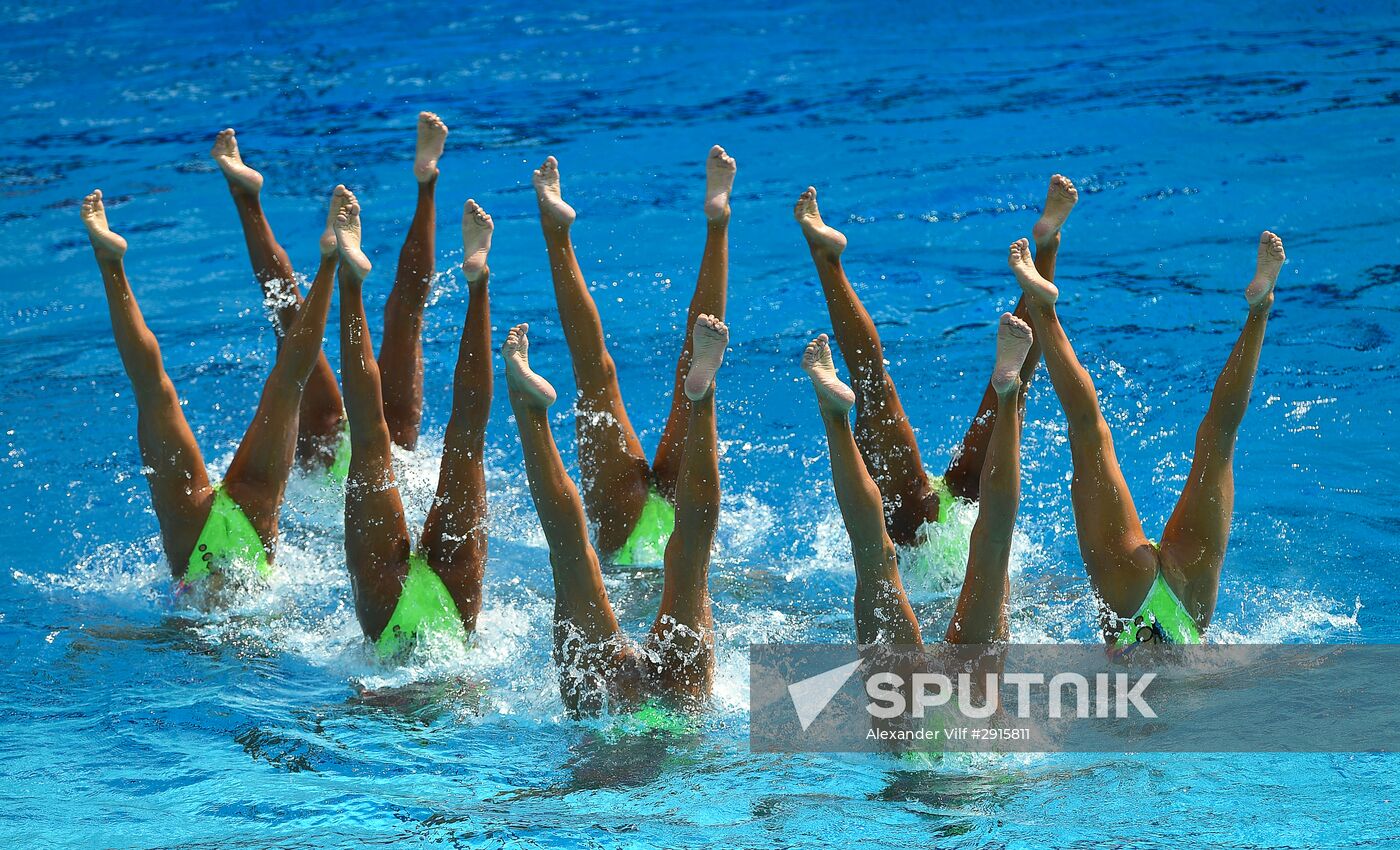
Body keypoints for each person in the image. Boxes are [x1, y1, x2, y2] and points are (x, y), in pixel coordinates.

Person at [1006, 231, 1286, 645]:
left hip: (1185, 609)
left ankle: (1260, 308)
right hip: (1130, 606)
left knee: (1213, 439)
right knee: (1092, 434)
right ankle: (1041, 308)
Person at [792, 177, 1076, 568]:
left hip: (916, 526)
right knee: (1010, 392)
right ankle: (1046, 248)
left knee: (874, 386)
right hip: (969, 515)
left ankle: (826, 258)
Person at [81, 187, 334, 593]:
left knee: (286, 384)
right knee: (155, 390)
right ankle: (110, 264)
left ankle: (330, 264)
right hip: (193, 539)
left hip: (246, 531)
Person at [501, 316, 728, 714]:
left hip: (605, 713)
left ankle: (531, 410)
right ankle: (702, 395)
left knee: (574, 556)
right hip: (676, 712)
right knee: (689, 556)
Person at [529, 147, 735, 564]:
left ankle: (717, 223)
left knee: (597, 372)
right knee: (601, 372)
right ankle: (717, 221)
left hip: (640, 537)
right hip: (677, 541)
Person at [210, 111, 450, 467]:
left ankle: (247, 197)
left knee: (291, 318)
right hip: (386, 458)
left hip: (328, 460)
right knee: (404, 317)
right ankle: (426, 179)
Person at [799, 312, 1033, 647]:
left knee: (874, 558)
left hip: (922, 693)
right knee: (991, 546)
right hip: (926, 692)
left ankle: (835, 417)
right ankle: (1008, 392)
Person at [335, 185, 496, 659]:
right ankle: (472, 278)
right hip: (394, 615)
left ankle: (478, 281)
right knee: (375, 437)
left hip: (448, 604)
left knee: (462, 440)